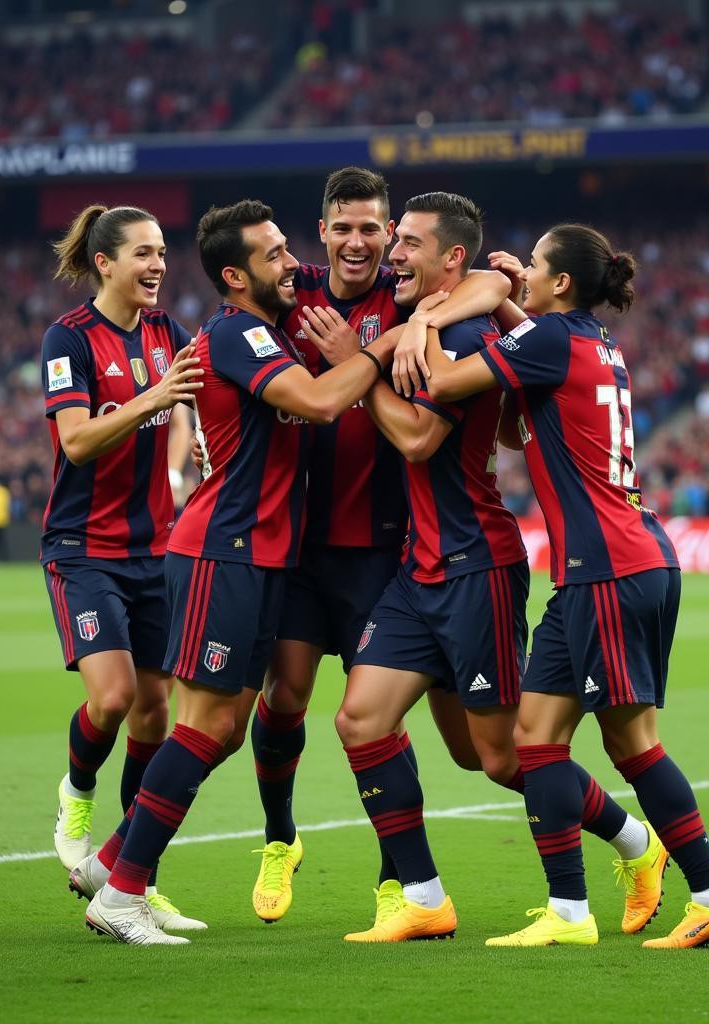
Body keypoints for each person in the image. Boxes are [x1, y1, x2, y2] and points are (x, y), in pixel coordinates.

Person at [310, 195, 661, 944]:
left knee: (500, 759)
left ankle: (637, 845)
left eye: (409, 242)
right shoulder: (429, 320)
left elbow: (414, 438)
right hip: (420, 568)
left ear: (450, 260)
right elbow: (495, 287)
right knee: (360, 720)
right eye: (392, 239)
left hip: (478, 567)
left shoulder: (462, 333)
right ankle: (425, 897)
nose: (393, 253)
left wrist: (359, 365)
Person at [410, 223, 709, 949]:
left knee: (634, 746)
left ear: (561, 282)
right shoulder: (590, 343)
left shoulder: (553, 339)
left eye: (532, 264)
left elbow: (439, 380)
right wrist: (503, 308)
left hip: (611, 569)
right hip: (605, 568)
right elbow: (511, 429)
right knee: (535, 741)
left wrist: (425, 320)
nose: (519, 271)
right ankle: (568, 912)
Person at [76, 198, 400, 946]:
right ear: (236, 275)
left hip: (260, 557)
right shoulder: (236, 332)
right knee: (207, 726)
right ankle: (123, 895)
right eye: (276, 253)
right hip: (224, 551)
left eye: (290, 248)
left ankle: (113, 863)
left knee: (219, 732)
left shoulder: (271, 330)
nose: (293, 263)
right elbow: (320, 403)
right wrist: (377, 350)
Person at [248, 168, 513, 925]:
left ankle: (398, 883)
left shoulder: (407, 294)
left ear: (391, 233)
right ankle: (279, 837)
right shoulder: (288, 293)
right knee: (287, 697)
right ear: (322, 231)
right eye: (345, 227)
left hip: (387, 547)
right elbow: (232, 311)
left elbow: (484, 285)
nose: (362, 243)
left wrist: (427, 321)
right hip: (300, 545)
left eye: (375, 229)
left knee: (384, 721)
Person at [41, 203, 203, 932]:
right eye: (143, 253)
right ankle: (77, 792)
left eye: (163, 252)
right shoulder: (68, 338)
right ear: (105, 263)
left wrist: (176, 470)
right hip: (85, 549)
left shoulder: (169, 333)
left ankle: (134, 883)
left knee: (155, 713)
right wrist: (154, 399)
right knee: (111, 698)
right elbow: (76, 442)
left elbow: (183, 417)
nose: (158, 265)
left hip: (155, 549)